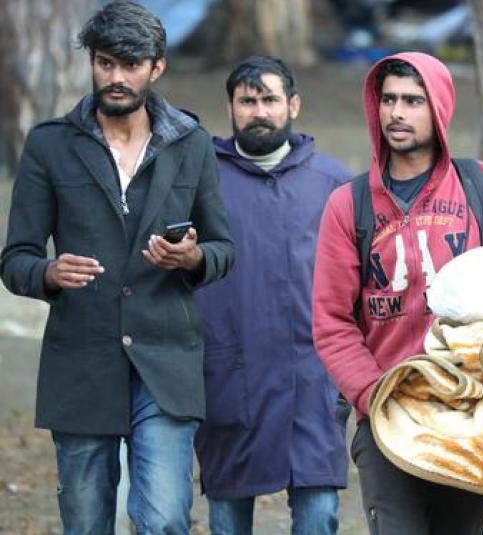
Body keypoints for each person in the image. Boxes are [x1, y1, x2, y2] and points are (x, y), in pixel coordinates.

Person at [311, 52, 483, 535]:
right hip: (389, 417)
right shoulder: (348, 205)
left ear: (438, 108)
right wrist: (374, 397)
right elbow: (332, 322)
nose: (397, 112)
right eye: (389, 100)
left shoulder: (482, 185)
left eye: (412, 101)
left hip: (472, 414)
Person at [0, 1, 234, 532]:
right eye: (106, 63)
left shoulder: (191, 143)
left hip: (167, 361)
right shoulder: (49, 144)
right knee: (86, 524)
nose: (117, 77)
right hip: (81, 364)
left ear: (157, 67)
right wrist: (49, 273)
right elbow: (15, 260)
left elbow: (223, 247)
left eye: (131, 65)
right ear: (92, 63)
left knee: (165, 518)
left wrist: (193, 257)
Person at [193, 55, 352, 535]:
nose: (259, 111)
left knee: (319, 512)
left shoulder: (335, 184)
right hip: (230, 373)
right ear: (230, 107)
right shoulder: (200, 181)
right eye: (248, 101)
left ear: (293, 105)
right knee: (227, 517)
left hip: (311, 378)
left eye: (270, 99)